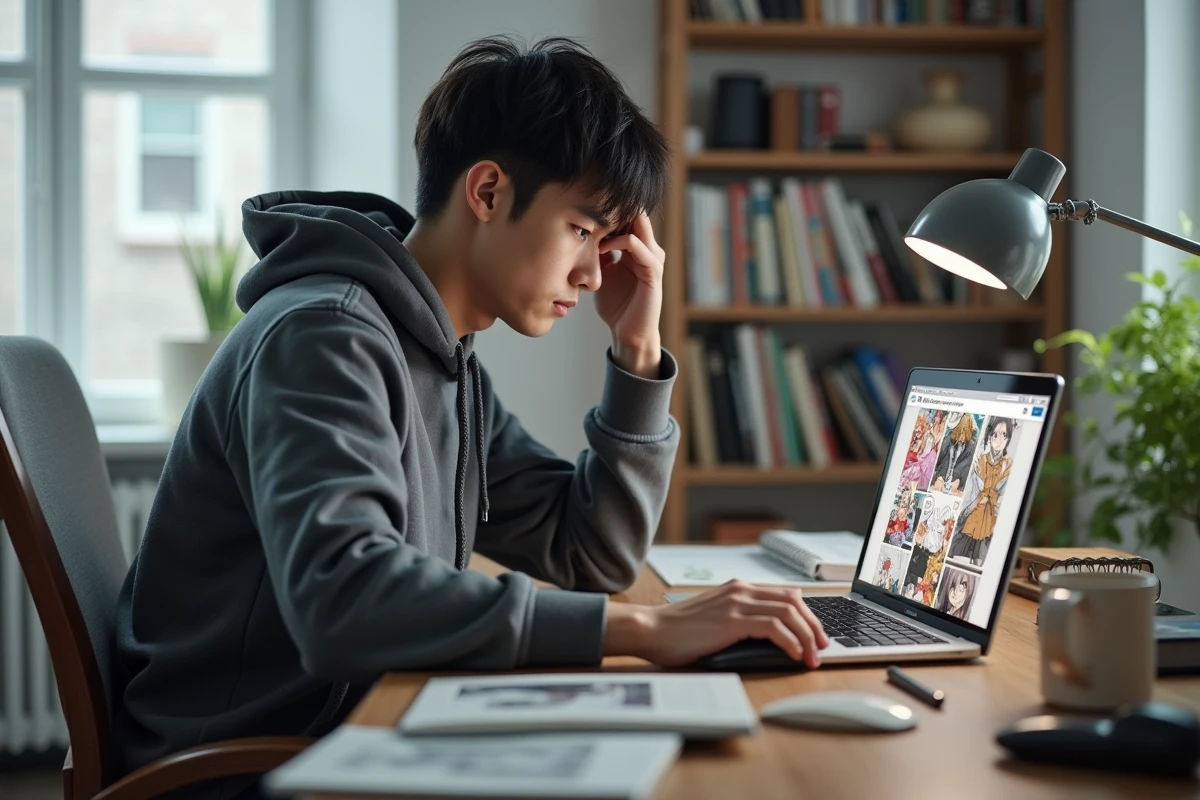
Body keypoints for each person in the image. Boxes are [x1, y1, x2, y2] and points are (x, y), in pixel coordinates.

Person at [109, 36, 829, 798]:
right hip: (247, 765)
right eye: (583, 231)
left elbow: (591, 554)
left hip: (351, 729)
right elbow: (343, 602)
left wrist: (638, 349)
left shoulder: (444, 358)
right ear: (487, 192)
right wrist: (645, 632)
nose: (592, 274)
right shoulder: (323, 336)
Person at [949, 418, 1015, 567]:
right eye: (996, 435)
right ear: (990, 435)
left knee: (981, 564)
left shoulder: (1008, 466)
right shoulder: (979, 460)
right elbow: (970, 494)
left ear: (1008, 439)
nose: (999, 440)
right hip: (971, 518)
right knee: (957, 559)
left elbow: (1002, 500)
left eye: (1004, 436)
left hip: (990, 525)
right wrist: (979, 499)